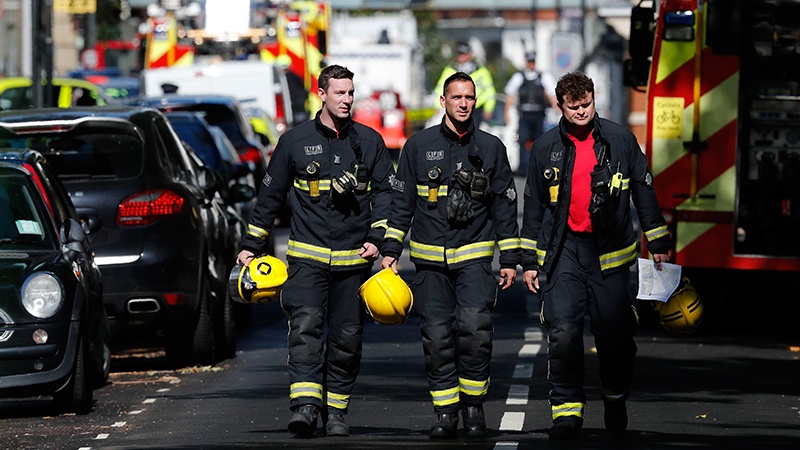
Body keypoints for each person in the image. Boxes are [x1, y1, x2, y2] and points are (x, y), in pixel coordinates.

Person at [236, 64, 395, 438]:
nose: (347, 100)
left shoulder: (369, 142)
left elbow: (387, 196)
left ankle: (337, 411)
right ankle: (306, 407)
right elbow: (270, 197)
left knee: (347, 338)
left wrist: (379, 240)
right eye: (339, 93)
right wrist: (250, 246)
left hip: (353, 261)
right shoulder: (294, 142)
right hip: (306, 259)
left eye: (351, 93)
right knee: (305, 329)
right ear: (321, 94)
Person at [519, 71, 672, 440]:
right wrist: (528, 262)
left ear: (593, 98)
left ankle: (615, 398)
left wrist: (658, 241)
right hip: (565, 252)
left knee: (615, 337)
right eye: (574, 108)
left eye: (586, 104)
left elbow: (644, 191)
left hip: (611, 253)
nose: (582, 112)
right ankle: (567, 414)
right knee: (564, 333)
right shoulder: (544, 148)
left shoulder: (620, 140)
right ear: (560, 107)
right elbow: (534, 207)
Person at [380, 71, 520, 440]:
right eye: (456, 97)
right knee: (437, 337)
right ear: (443, 101)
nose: (463, 103)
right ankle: (446, 412)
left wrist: (509, 260)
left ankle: (474, 407)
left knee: (474, 331)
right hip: (429, 264)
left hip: (474, 258)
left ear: (475, 102)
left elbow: (505, 207)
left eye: (469, 98)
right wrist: (391, 250)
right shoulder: (417, 145)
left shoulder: (491, 148)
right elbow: (402, 203)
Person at [503, 51, 558, 175]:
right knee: (522, 140)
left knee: (538, 141)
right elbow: (510, 95)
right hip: (525, 114)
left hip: (538, 113)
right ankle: (523, 168)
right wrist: (506, 112)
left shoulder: (543, 77)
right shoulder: (519, 77)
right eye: (529, 61)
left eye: (533, 61)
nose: (531, 64)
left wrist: (557, 109)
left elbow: (551, 94)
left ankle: (538, 168)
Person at [433, 41, 496, 129]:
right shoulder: (450, 70)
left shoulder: (481, 71)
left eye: (464, 54)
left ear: (470, 55)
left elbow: (490, 92)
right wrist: (437, 105)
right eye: (459, 54)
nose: (461, 56)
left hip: (476, 108)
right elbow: (440, 88)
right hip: (457, 106)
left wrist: (489, 108)